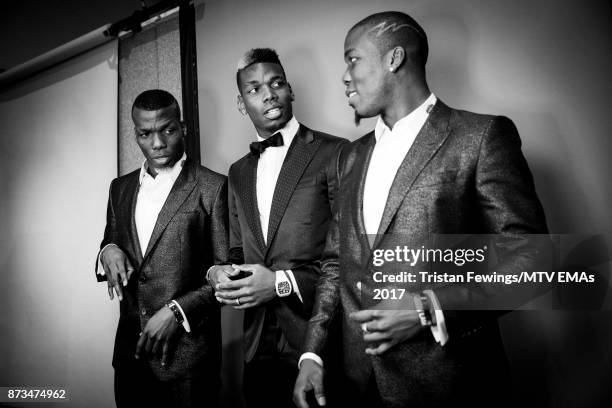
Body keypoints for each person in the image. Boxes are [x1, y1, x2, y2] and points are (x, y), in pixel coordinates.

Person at [294, 11, 549, 408]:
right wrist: (312, 353)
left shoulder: (480, 137)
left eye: (352, 59)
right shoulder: (348, 158)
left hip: (451, 386)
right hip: (357, 386)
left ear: (394, 59)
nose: (344, 75)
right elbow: (334, 264)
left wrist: (429, 307)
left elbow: (534, 258)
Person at [207, 48, 347, 408]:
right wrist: (224, 273)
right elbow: (239, 250)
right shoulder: (237, 172)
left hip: (318, 343)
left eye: (277, 83)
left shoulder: (336, 152)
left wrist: (281, 283)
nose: (268, 94)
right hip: (256, 346)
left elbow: (351, 255)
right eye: (254, 90)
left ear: (290, 90)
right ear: (242, 105)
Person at [95, 89, 228, 408]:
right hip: (130, 359)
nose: (156, 143)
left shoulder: (213, 187)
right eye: (145, 133)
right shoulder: (120, 188)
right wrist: (107, 249)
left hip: (188, 364)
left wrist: (177, 310)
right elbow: (109, 239)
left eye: (166, 130)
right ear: (136, 134)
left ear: (182, 127)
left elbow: (228, 272)